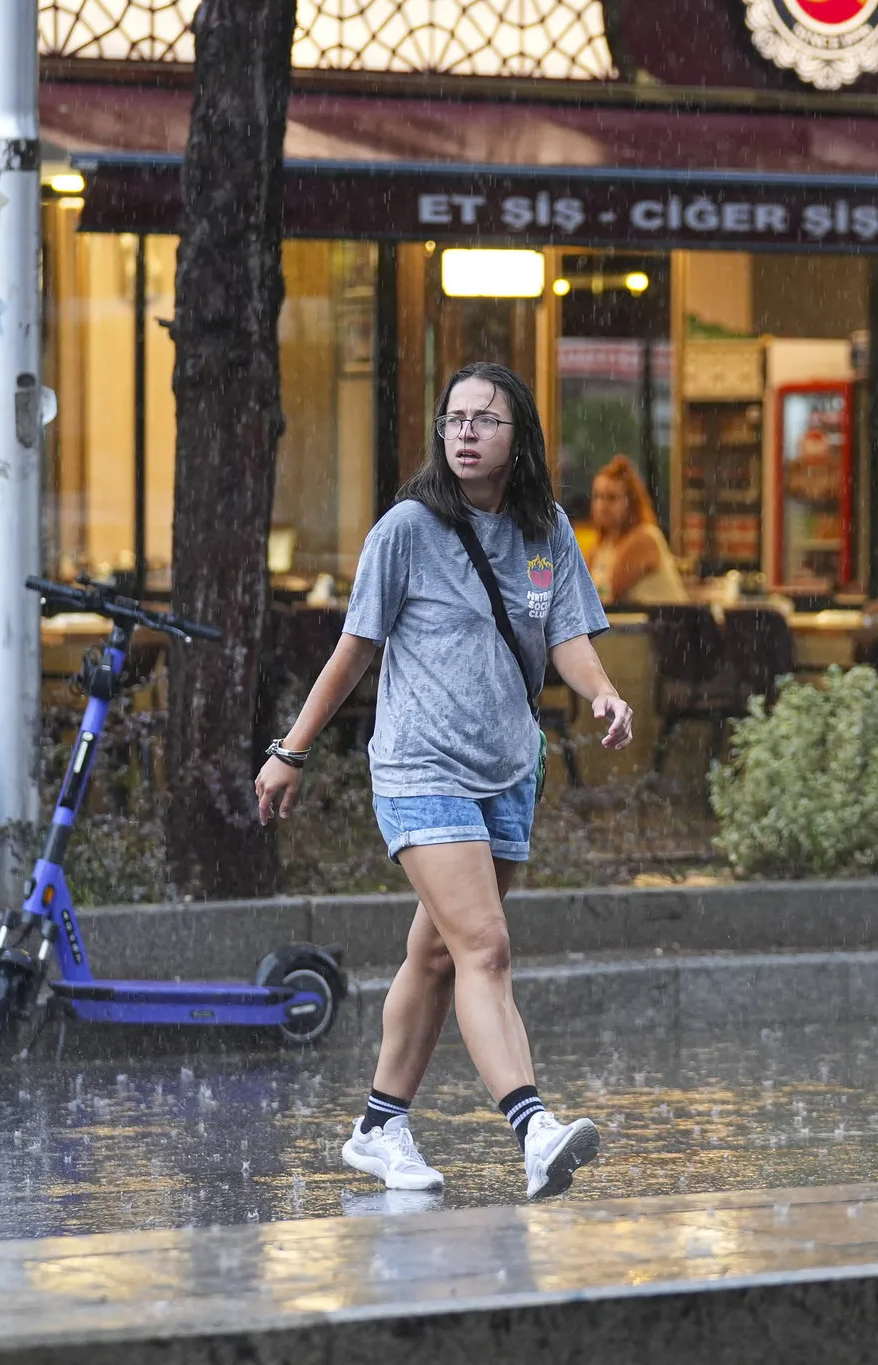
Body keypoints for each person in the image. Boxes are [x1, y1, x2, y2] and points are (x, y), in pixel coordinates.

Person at [255, 361, 634, 1200]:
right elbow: (354, 648)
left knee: (433, 954)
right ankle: (533, 1127)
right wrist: (292, 749)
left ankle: (378, 1125)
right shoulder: (407, 529)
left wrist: (601, 690)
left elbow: (565, 633)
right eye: (454, 418)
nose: (464, 432)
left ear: (517, 437)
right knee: (485, 947)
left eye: (484, 420)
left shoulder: (547, 531)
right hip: (419, 764)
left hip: (506, 768)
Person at [584, 455, 687, 605]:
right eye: (597, 497)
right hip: (625, 626)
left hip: (664, 625)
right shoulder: (600, 547)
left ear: (630, 502)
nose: (602, 505)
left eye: (611, 498)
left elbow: (608, 591)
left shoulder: (645, 538)